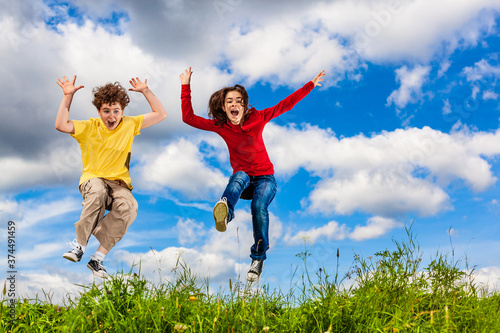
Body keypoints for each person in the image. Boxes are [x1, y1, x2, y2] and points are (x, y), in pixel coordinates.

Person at [179, 67, 325, 282]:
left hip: (266, 180)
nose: (234, 104)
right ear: (223, 106)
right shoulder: (221, 126)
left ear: (244, 105)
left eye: (238, 100)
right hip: (245, 181)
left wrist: (309, 85)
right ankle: (225, 212)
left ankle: (257, 259)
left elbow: (285, 105)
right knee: (239, 175)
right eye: (230, 101)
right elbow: (188, 118)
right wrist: (185, 86)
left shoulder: (259, 117)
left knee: (258, 207)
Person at [55, 75, 167, 278]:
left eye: (116, 111)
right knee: (97, 193)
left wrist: (145, 91)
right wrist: (68, 96)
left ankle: (97, 259)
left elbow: (160, 114)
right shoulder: (89, 127)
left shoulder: (131, 124)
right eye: (106, 111)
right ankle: (80, 245)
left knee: (130, 208)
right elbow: (61, 125)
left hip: (120, 184)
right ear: (99, 112)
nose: (111, 116)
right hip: (93, 178)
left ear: (122, 111)